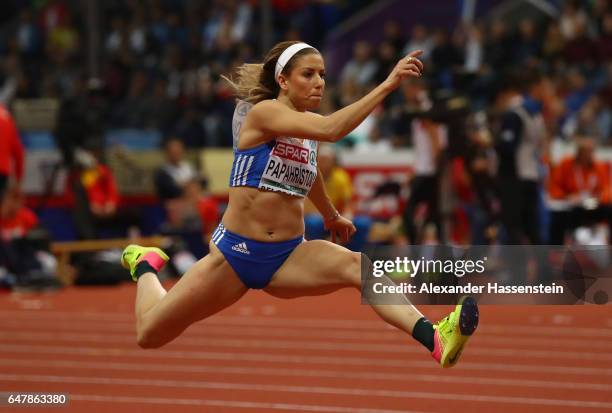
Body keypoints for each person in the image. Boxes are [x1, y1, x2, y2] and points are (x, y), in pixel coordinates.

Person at [121, 41, 478, 368]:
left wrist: (331, 215)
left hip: (288, 256)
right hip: (235, 256)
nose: (319, 82)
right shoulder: (262, 114)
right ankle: (146, 265)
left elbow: (309, 176)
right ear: (283, 80)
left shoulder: (305, 131)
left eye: (322, 74)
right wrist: (387, 85)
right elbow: (333, 130)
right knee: (149, 335)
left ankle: (434, 337)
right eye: (308, 74)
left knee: (360, 267)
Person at [548, 136, 611, 245]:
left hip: (594, 205)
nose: (588, 155)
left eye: (591, 152)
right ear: (579, 153)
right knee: (558, 218)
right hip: (573, 206)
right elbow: (554, 187)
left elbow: (607, 189)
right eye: (585, 152)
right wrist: (567, 197)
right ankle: (556, 252)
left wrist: (600, 197)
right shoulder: (566, 164)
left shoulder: (599, 167)